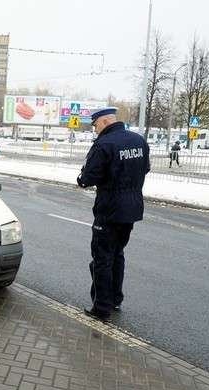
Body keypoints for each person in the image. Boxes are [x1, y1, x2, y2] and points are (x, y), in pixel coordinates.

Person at [77, 107, 150, 321]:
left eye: (95, 125)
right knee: (117, 254)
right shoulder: (138, 140)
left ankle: (101, 307)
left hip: (109, 210)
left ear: (104, 122)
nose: (95, 129)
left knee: (102, 258)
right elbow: (145, 169)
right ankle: (116, 298)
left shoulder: (104, 144)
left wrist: (82, 179)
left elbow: (88, 178)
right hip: (132, 209)